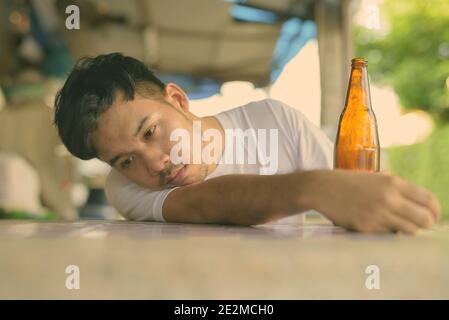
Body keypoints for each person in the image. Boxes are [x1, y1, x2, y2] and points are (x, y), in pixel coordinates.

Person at [54, 53, 441, 234]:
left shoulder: (275, 121)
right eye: (125, 160)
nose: (154, 165)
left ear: (178, 99)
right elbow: (211, 203)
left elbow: (350, 204)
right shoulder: (124, 187)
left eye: (151, 132)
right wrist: (311, 187)